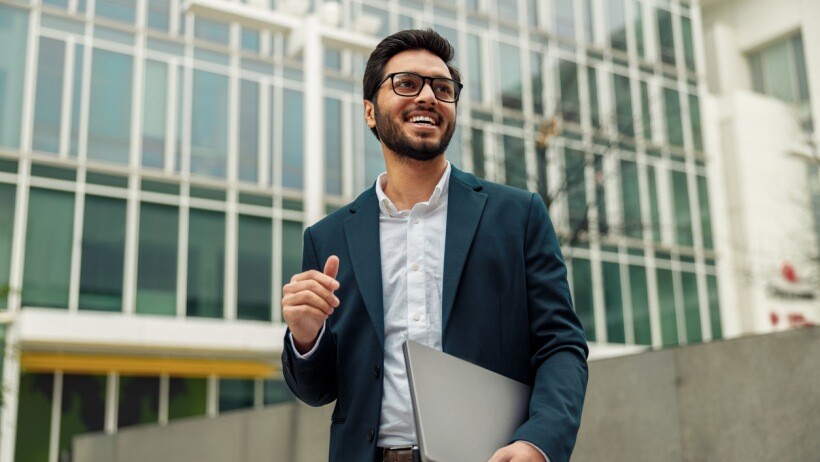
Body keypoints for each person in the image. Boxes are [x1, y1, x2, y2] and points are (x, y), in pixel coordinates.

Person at [281, 29, 588, 462]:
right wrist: (305, 336)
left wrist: (539, 442)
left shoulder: (518, 216)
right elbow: (318, 391)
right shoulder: (328, 238)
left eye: (442, 89)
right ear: (370, 111)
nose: (428, 96)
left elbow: (561, 345)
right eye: (406, 84)